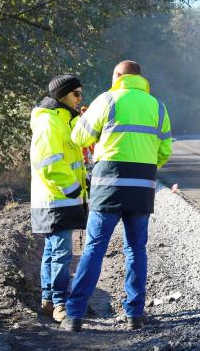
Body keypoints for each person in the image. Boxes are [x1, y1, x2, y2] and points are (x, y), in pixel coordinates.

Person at [61, 60, 172, 332]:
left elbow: (79, 138)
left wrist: (89, 122)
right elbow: (165, 150)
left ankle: (74, 315)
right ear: (139, 78)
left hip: (108, 186)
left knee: (95, 248)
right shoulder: (157, 106)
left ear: (118, 76)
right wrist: (145, 167)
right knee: (136, 250)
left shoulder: (107, 99)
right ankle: (135, 314)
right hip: (142, 188)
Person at [30, 74, 88, 323]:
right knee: (62, 253)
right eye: (76, 94)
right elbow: (50, 164)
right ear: (62, 95)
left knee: (53, 251)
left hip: (58, 198)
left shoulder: (63, 121)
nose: (80, 98)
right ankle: (60, 304)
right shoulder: (49, 122)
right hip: (56, 199)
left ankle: (48, 300)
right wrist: (74, 188)